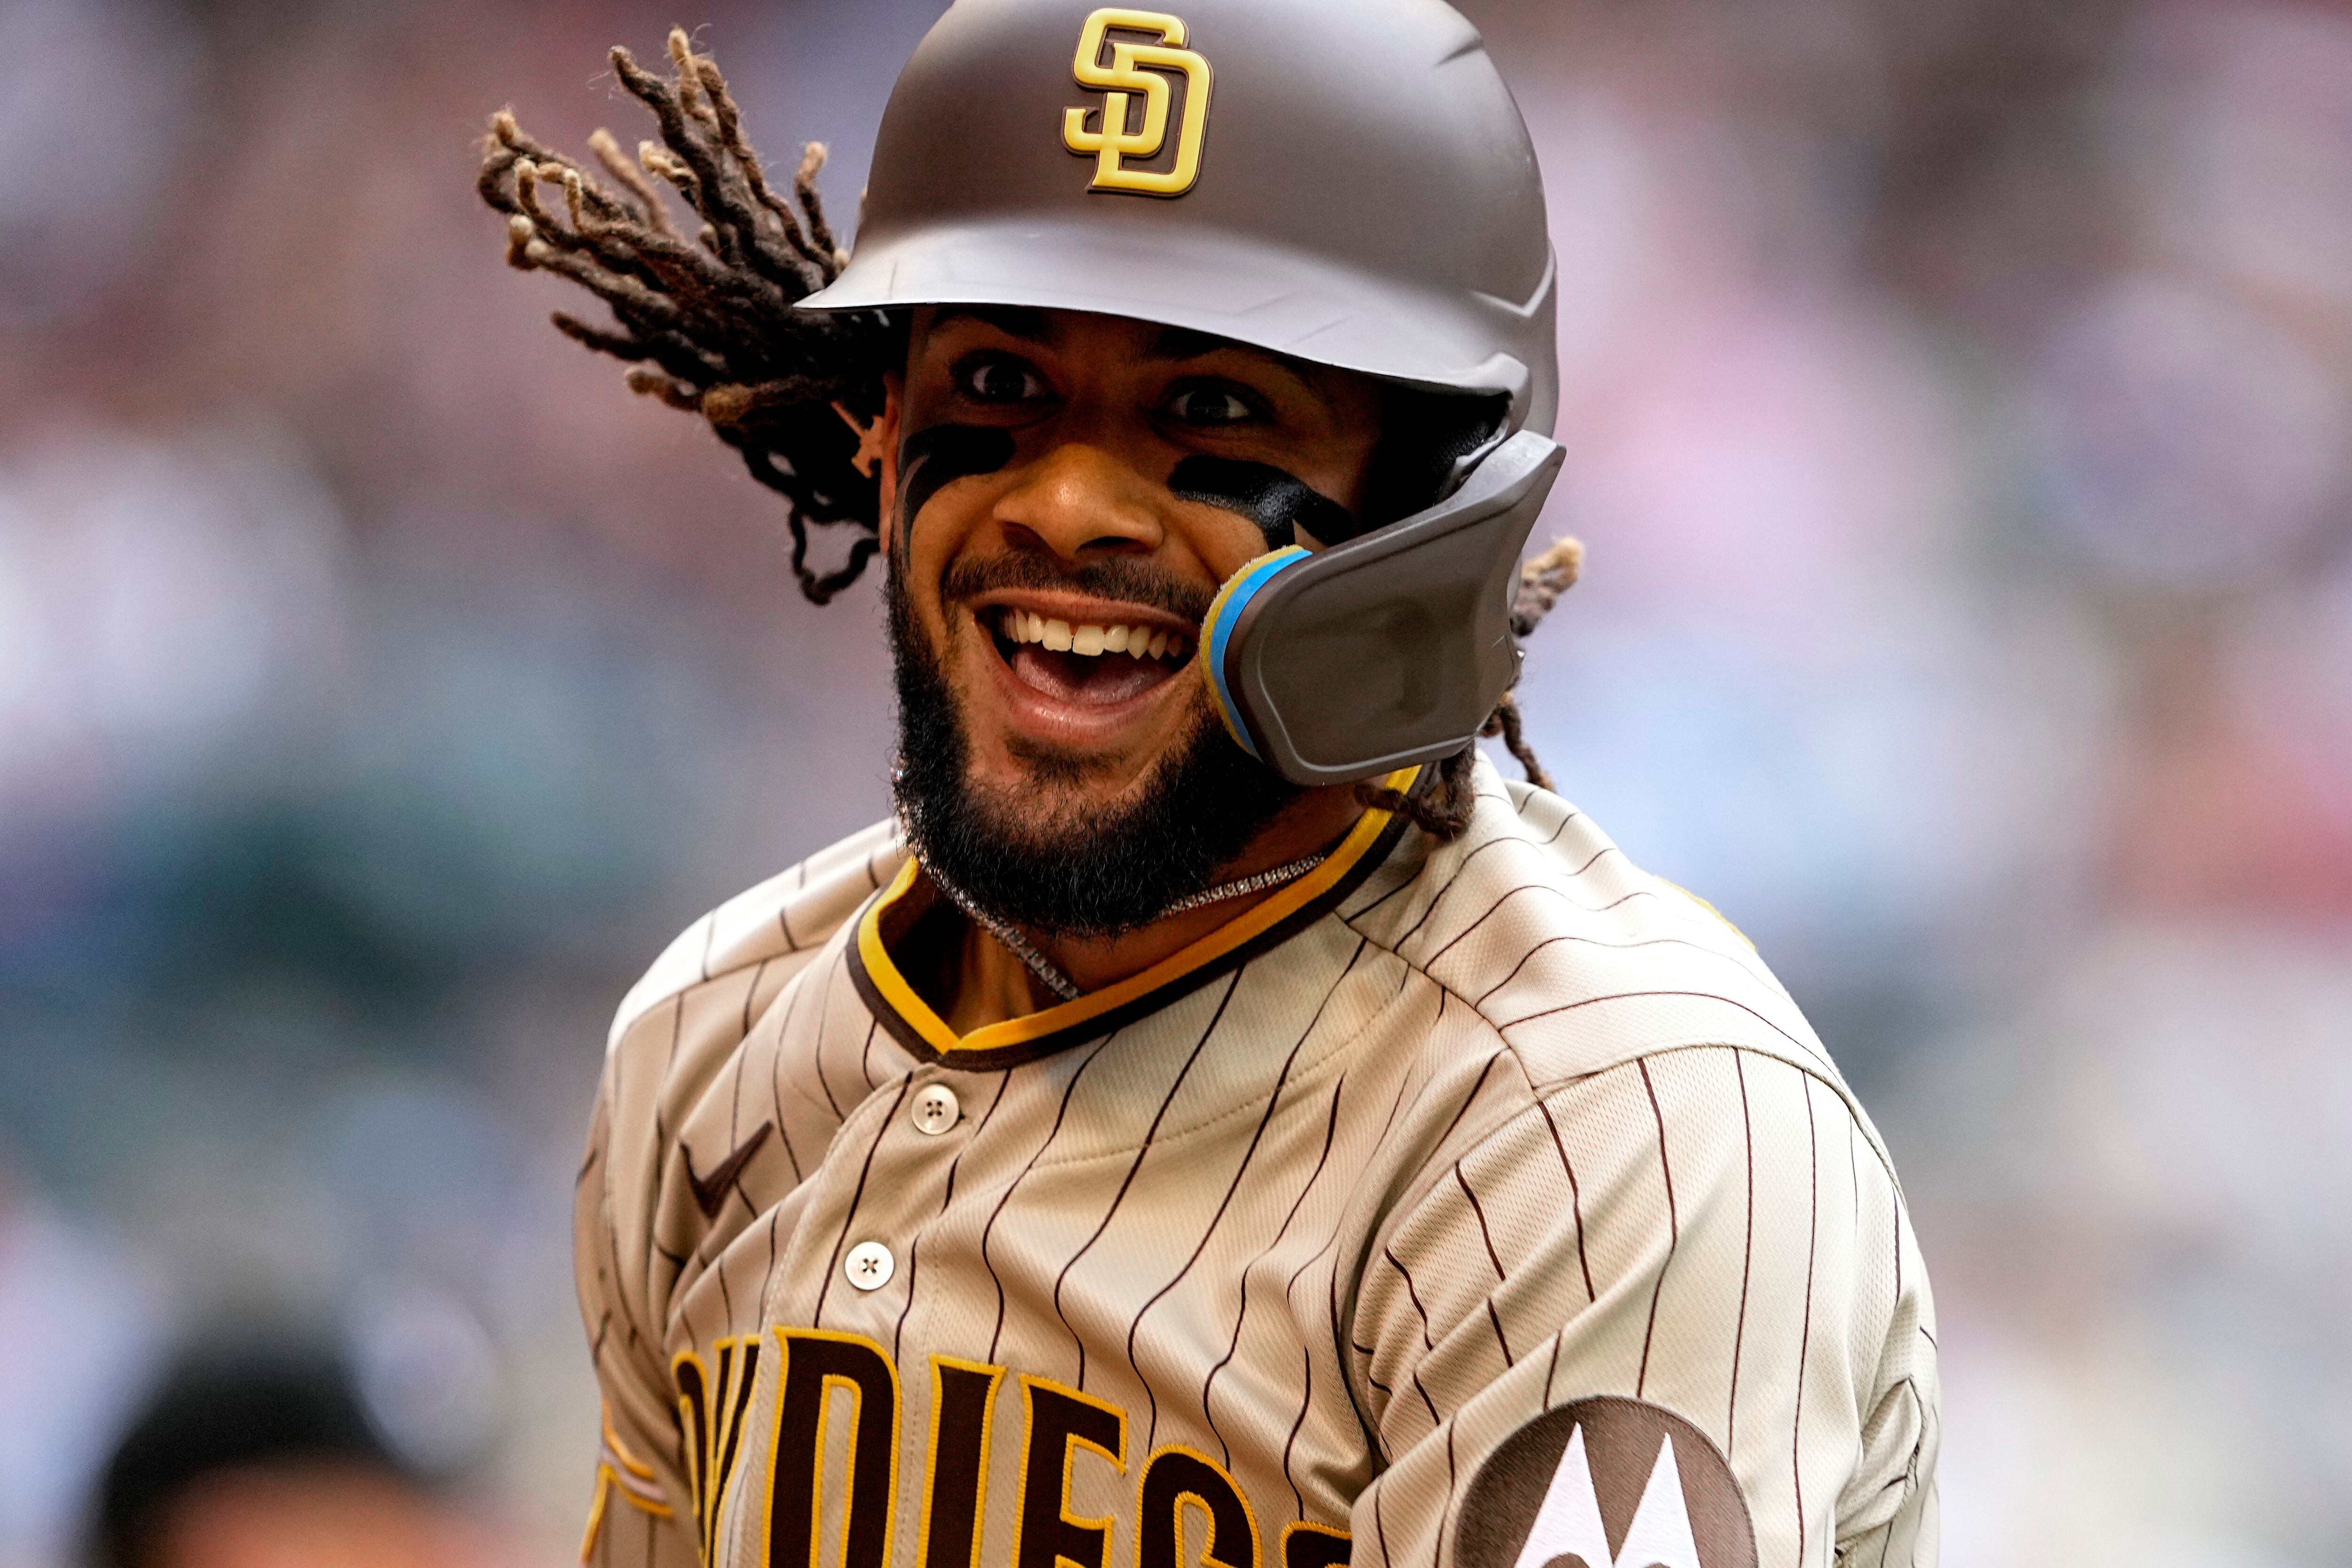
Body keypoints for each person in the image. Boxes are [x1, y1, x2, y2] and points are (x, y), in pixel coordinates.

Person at [479, 5, 1939, 1567]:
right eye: (998, 381)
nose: (1068, 503)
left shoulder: (1601, 1131)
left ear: (1428, 515)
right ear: (880, 432)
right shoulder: (713, 1044)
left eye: (1214, 408)